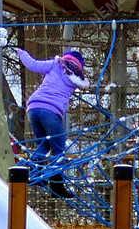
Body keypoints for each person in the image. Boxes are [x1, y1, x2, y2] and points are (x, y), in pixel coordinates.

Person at [15, 46, 89, 198]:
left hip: (33, 108)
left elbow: (33, 64)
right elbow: (86, 85)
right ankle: (56, 184)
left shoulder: (55, 64)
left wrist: (22, 53)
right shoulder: (76, 78)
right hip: (51, 112)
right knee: (59, 148)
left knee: (45, 144)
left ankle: (33, 173)